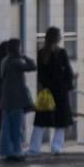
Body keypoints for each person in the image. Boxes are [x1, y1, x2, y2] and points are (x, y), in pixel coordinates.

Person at [29, 26, 75, 155]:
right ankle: (56, 147)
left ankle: (34, 148)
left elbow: (41, 74)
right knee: (61, 121)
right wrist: (68, 84)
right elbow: (68, 71)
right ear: (57, 38)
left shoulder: (41, 53)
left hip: (46, 91)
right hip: (60, 91)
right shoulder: (61, 53)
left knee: (41, 120)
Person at [0, 37, 35, 162]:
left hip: (6, 99)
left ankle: (6, 151)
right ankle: (16, 151)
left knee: (6, 126)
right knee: (17, 127)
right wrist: (24, 56)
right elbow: (32, 66)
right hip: (16, 99)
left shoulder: (5, 61)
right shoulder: (16, 62)